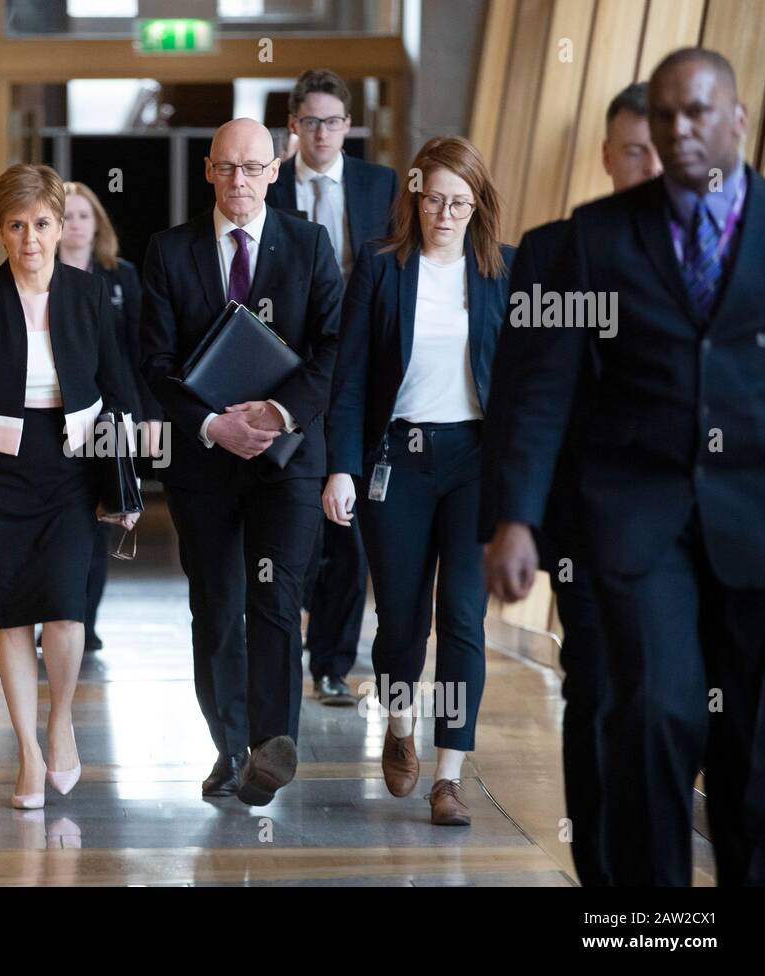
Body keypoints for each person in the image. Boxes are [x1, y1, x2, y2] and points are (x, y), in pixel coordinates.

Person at [485, 48, 765, 885]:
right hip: (636, 522)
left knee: (750, 741)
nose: (680, 130)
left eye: (698, 113)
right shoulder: (598, 238)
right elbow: (541, 387)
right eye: (667, 114)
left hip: (754, 519)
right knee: (652, 711)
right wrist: (515, 517)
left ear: (738, 121)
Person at [480, 81, 661, 885]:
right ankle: (608, 880)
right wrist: (513, 517)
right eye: (633, 150)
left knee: (674, 701)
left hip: (702, 529)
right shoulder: (560, 252)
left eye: (662, 148)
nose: (649, 164)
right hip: (590, 524)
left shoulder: (729, 251)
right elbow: (529, 397)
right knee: (597, 688)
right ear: (606, 156)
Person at [141, 118, 342, 806]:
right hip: (205, 466)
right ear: (208, 170)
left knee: (276, 600)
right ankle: (229, 746)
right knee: (218, 608)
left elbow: (333, 348)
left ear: (275, 171)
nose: (240, 181)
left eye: (253, 168)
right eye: (227, 168)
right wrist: (211, 425)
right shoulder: (169, 252)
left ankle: (270, 747)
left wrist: (276, 415)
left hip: (288, 461)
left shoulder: (310, 245)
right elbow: (155, 365)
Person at [0, 164, 141, 810]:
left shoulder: (88, 295)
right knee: (10, 612)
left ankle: (61, 720)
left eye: (42, 224)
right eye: (16, 226)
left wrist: (125, 483)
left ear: (59, 227)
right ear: (1, 229)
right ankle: (27, 750)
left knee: (65, 606)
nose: (30, 238)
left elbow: (117, 388)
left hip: (72, 466)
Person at [324, 136, 513, 826]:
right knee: (403, 621)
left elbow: (523, 386)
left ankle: (449, 777)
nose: (445, 213)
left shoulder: (502, 272)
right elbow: (349, 382)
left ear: (477, 205)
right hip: (396, 462)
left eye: (459, 202)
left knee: (463, 617)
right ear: (414, 196)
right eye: (433, 198)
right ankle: (400, 719)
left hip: (474, 463)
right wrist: (341, 466)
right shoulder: (381, 271)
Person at [266, 68, 399, 707]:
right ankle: (281, 647)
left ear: (349, 127)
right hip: (291, 371)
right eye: (311, 121)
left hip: (365, 371)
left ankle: (332, 663)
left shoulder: (380, 185)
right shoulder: (268, 189)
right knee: (295, 514)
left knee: (351, 521)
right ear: (293, 125)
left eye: (335, 121)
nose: (323, 133)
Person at [59, 180, 159, 653]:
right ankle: (55, 614)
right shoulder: (41, 277)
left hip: (111, 415)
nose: (75, 225)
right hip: (58, 416)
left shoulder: (120, 277)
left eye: (83, 215)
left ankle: (85, 620)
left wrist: (146, 415)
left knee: (103, 516)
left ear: (97, 223)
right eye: (66, 216)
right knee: (60, 519)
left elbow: (140, 352)